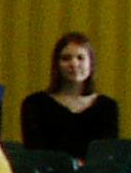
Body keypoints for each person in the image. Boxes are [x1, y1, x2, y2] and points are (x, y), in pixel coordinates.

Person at [19, 31, 119, 159]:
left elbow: (107, 154)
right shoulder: (34, 104)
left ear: (91, 64)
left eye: (80, 58)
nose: (74, 64)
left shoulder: (107, 107)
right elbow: (35, 153)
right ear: (56, 65)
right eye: (66, 58)